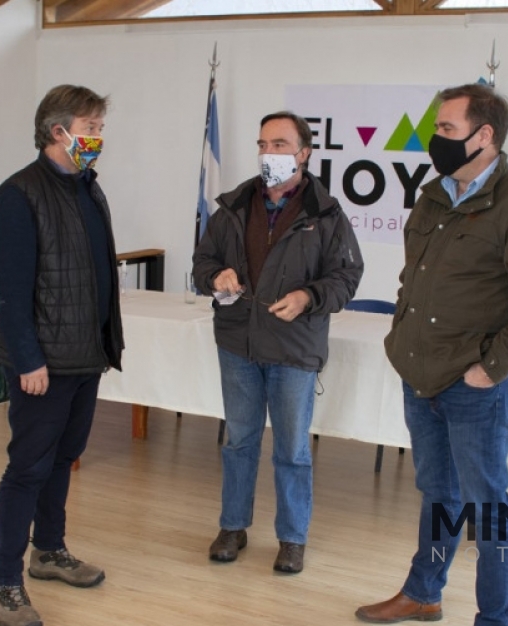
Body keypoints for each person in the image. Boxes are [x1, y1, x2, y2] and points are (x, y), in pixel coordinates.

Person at [355, 84, 508, 625]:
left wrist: (489, 370)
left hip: (474, 386)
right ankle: (423, 592)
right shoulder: (432, 195)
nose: (436, 139)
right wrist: (402, 339)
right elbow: (414, 278)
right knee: (436, 493)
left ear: (484, 135)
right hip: (420, 376)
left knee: (487, 508)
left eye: (447, 129)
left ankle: (494, 617)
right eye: (437, 129)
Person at [192, 111, 363, 575]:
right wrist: (216, 276)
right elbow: (202, 264)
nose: (269, 153)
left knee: (291, 449)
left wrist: (309, 297)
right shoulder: (233, 206)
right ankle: (233, 527)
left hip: (294, 348)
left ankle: (292, 538)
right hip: (238, 344)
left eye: (281, 145)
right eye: (263, 144)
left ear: (304, 153)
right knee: (239, 441)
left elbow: (347, 277)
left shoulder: (325, 213)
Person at [0, 85, 123, 626]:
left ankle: (48, 550)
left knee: (63, 459)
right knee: (27, 469)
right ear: (57, 130)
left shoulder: (88, 187)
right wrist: (27, 359)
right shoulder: (18, 194)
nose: (98, 137)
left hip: (85, 354)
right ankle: (3, 583)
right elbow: (8, 289)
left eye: (100, 127)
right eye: (91, 127)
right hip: (43, 362)